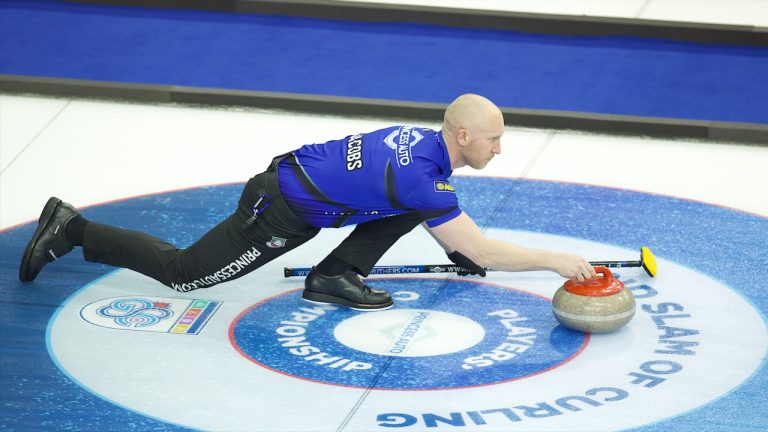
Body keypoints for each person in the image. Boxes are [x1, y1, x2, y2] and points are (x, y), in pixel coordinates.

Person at [19, 94, 596, 311]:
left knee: (416, 214)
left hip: (296, 188)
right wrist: (556, 262)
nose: (502, 149)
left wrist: (469, 251)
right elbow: (478, 248)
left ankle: (333, 276)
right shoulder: (425, 177)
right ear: (464, 136)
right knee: (186, 275)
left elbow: (435, 219)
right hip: (279, 208)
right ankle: (74, 229)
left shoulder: (424, 148)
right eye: (495, 139)